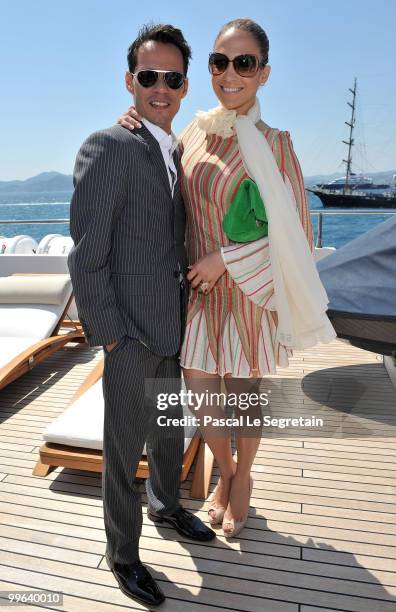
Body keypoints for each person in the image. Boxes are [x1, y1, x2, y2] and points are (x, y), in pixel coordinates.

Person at [118, 19, 336, 540]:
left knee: (243, 396)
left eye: (244, 63)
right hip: (197, 295)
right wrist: (133, 121)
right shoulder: (191, 132)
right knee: (201, 395)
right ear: (209, 68)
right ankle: (227, 467)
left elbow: (295, 232)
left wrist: (225, 261)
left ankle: (243, 479)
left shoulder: (276, 143)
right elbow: (165, 183)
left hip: (247, 292)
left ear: (263, 73)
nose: (230, 73)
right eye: (220, 62)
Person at [68, 23, 215, 608]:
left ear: (184, 87)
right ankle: (122, 554)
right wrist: (110, 337)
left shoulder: (174, 148)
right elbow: (87, 254)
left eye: (172, 78)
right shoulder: (109, 145)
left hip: (171, 324)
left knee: (168, 431)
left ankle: (168, 507)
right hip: (128, 332)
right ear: (131, 82)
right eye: (148, 76)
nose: (160, 87)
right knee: (123, 446)